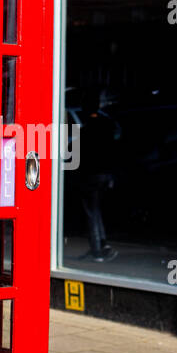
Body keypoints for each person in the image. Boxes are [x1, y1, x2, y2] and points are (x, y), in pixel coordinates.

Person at [76, 89, 118, 262]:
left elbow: (80, 153)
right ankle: (102, 243)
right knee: (96, 210)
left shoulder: (86, 129)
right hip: (105, 173)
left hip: (91, 174)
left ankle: (97, 249)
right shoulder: (107, 124)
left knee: (91, 212)